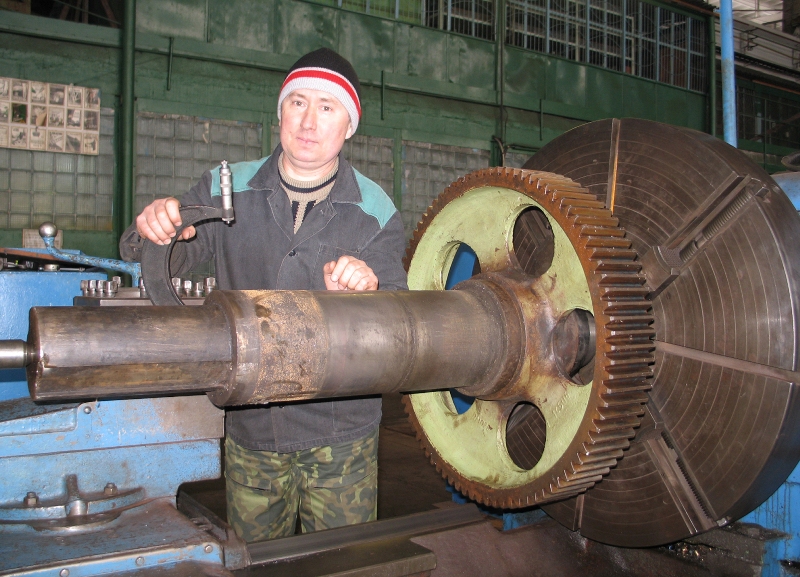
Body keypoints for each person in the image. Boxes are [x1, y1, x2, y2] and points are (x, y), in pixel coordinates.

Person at [120, 48, 408, 542]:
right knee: (254, 562)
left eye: (327, 107)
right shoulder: (226, 188)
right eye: (297, 103)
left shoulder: (374, 209)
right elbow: (160, 257)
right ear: (280, 113)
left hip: (340, 434)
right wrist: (157, 228)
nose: (309, 122)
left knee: (344, 565)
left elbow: (400, 322)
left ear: (349, 126)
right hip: (253, 427)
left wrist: (370, 289)